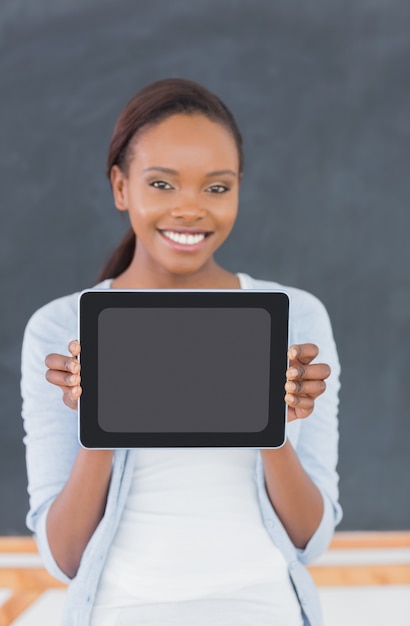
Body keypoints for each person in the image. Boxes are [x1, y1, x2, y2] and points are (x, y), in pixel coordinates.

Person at [21, 78, 342, 626]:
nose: (190, 209)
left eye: (216, 188)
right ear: (121, 188)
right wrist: (100, 420)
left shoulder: (295, 316)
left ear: (239, 189)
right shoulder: (60, 329)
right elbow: (65, 559)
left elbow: (311, 541)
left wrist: (273, 425)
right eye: (162, 184)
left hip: (265, 611)